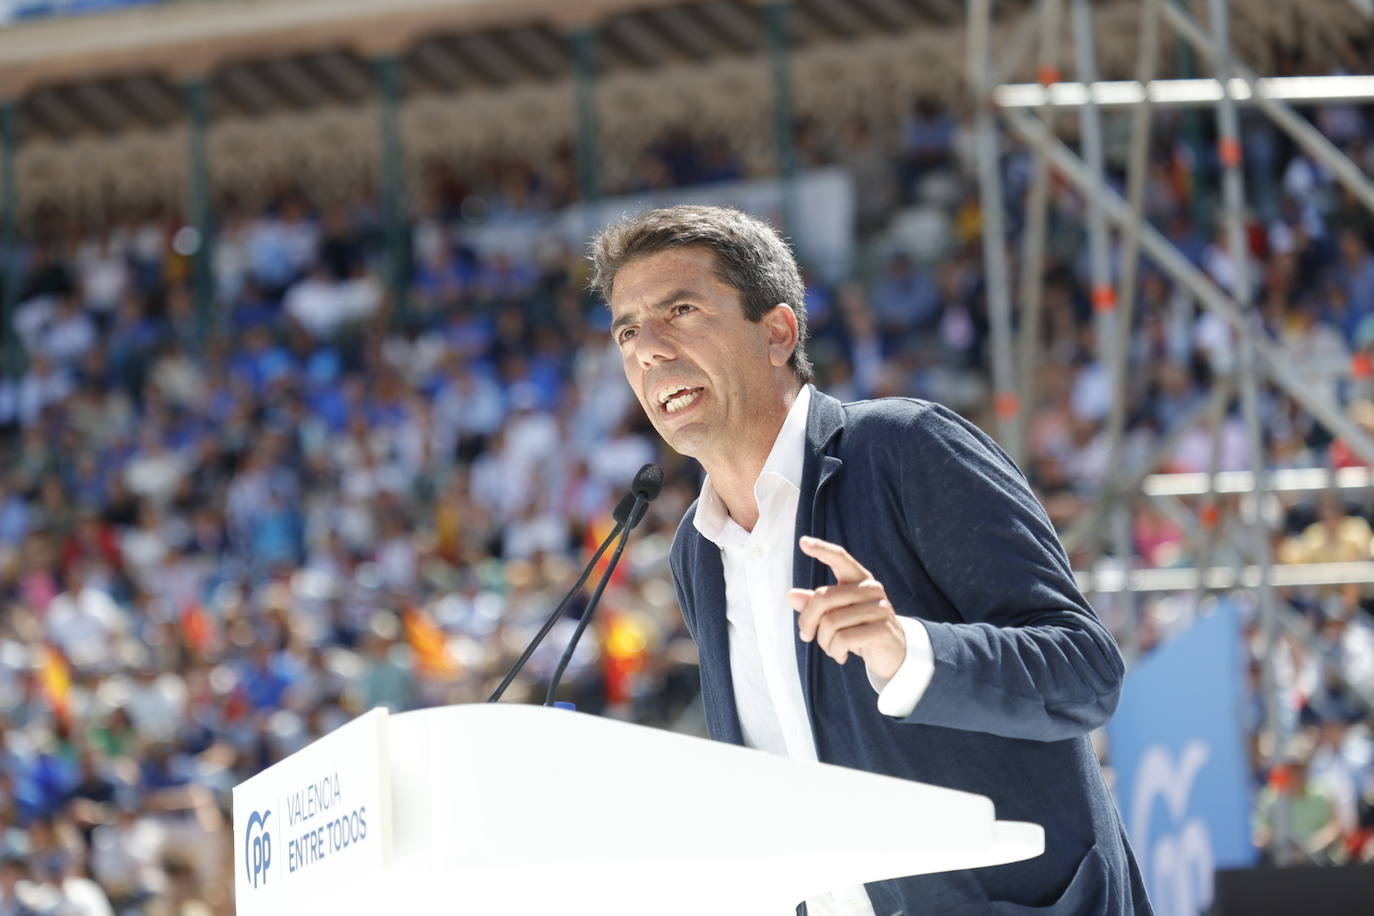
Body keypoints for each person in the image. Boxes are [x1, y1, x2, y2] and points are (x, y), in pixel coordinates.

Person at [591, 205, 1151, 915]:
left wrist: (907, 651)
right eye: (627, 329)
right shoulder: (696, 553)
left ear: (778, 334)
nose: (648, 349)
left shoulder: (906, 448)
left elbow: (1085, 675)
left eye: (680, 310)